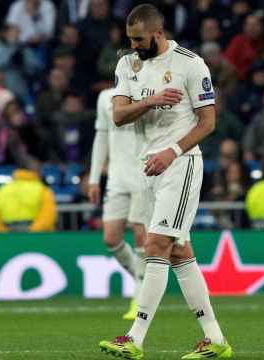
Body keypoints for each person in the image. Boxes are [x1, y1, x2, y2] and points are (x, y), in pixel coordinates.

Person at [99, 5, 232, 359]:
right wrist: (153, 99)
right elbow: (119, 115)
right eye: (129, 39)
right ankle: (215, 339)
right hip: (149, 167)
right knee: (178, 252)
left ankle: (135, 338)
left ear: (157, 33)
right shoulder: (128, 64)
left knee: (156, 244)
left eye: (138, 39)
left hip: (181, 164)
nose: (133, 45)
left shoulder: (190, 63)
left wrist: (172, 151)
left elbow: (208, 123)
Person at [88, 86, 146, 320]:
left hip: (145, 175)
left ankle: (140, 300)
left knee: (142, 239)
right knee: (111, 238)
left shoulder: (147, 91)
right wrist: (93, 179)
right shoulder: (105, 97)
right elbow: (101, 136)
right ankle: (146, 282)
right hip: (117, 178)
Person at [0, 167, 57, 232]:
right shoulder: (42, 189)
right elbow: (47, 215)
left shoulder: (1, 190)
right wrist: (33, 231)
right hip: (34, 233)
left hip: (7, 231)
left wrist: (2, 231)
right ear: (34, 172)